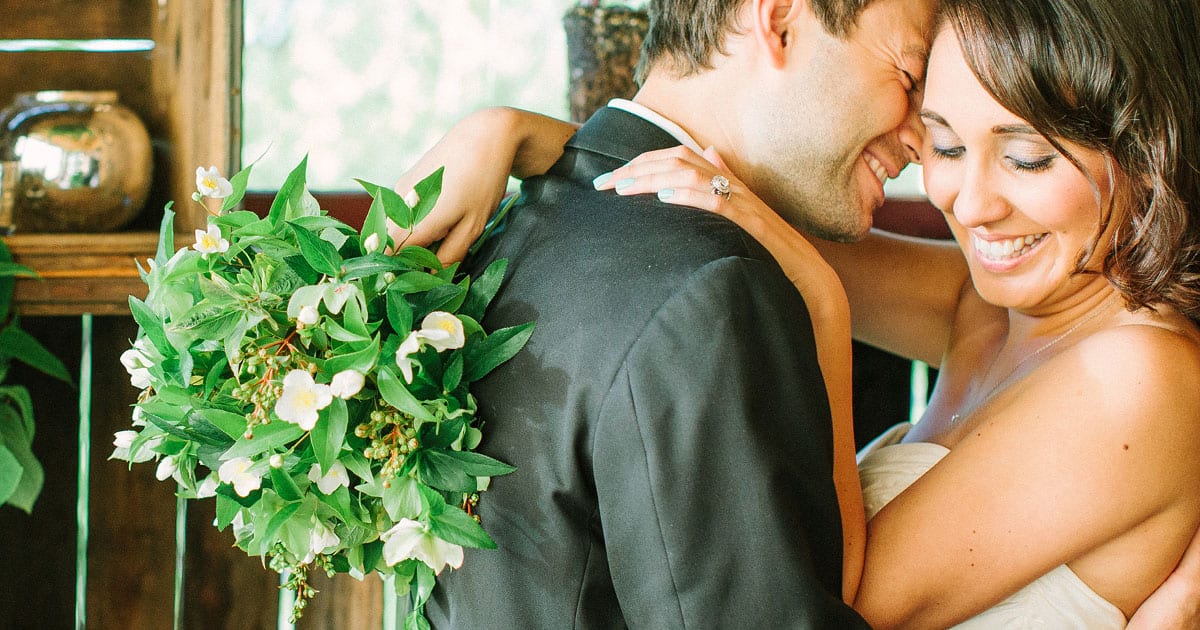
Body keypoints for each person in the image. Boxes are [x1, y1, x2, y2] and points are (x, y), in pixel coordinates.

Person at [393, 0, 1200, 627]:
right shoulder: (984, 303)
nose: (971, 202)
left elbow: (837, 599)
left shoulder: (1137, 379)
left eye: (1025, 158)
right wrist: (510, 132)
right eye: (945, 145)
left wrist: (820, 303)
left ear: (1144, 146)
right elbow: (712, 193)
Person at [388, 0, 939, 626]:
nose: (922, 139)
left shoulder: (507, 232)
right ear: (781, 20)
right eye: (909, 75)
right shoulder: (712, 294)